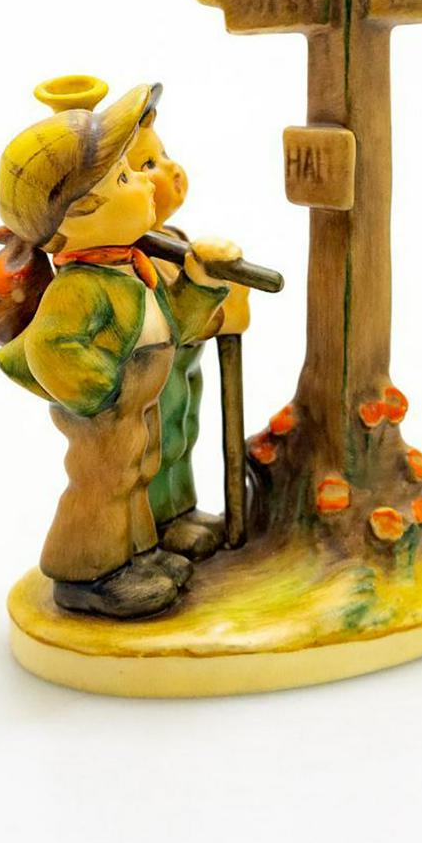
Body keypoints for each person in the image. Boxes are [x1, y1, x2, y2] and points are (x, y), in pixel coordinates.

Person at [0, 82, 241, 618]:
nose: (146, 182)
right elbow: (51, 348)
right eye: (126, 177)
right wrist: (106, 394)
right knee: (103, 487)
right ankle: (86, 574)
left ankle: (138, 557)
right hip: (108, 414)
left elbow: (172, 325)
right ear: (78, 216)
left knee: (139, 475)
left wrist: (201, 282)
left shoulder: (129, 269)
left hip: (134, 409)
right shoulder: (80, 288)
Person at [127, 103, 250, 560]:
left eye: (163, 155)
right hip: (152, 383)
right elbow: (172, 319)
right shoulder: (131, 261)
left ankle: (182, 510)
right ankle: (159, 523)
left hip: (183, 372)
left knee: (184, 433)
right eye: (148, 165)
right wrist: (209, 290)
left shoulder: (172, 239)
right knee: (159, 447)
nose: (171, 170)